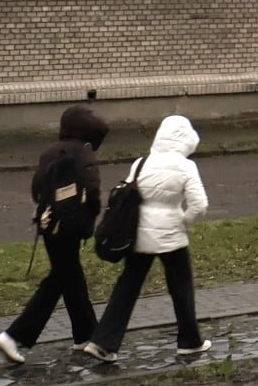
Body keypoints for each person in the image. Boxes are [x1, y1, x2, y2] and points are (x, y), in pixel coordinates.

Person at [82, 112, 209, 360]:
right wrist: (183, 221)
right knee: (181, 288)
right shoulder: (186, 166)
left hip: (139, 233)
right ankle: (189, 341)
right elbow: (199, 205)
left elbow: (129, 193)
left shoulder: (141, 162)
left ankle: (102, 342)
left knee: (127, 288)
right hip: (172, 236)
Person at [0, 103, 108, 363]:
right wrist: (88, 220)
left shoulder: (49, 153)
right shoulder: (85, 153)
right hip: (72, 225)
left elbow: (37, 189)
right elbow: (92, 193)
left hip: (49, 223)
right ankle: (14, 335)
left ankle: (86, 335)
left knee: (71, 278)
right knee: (59, 279)